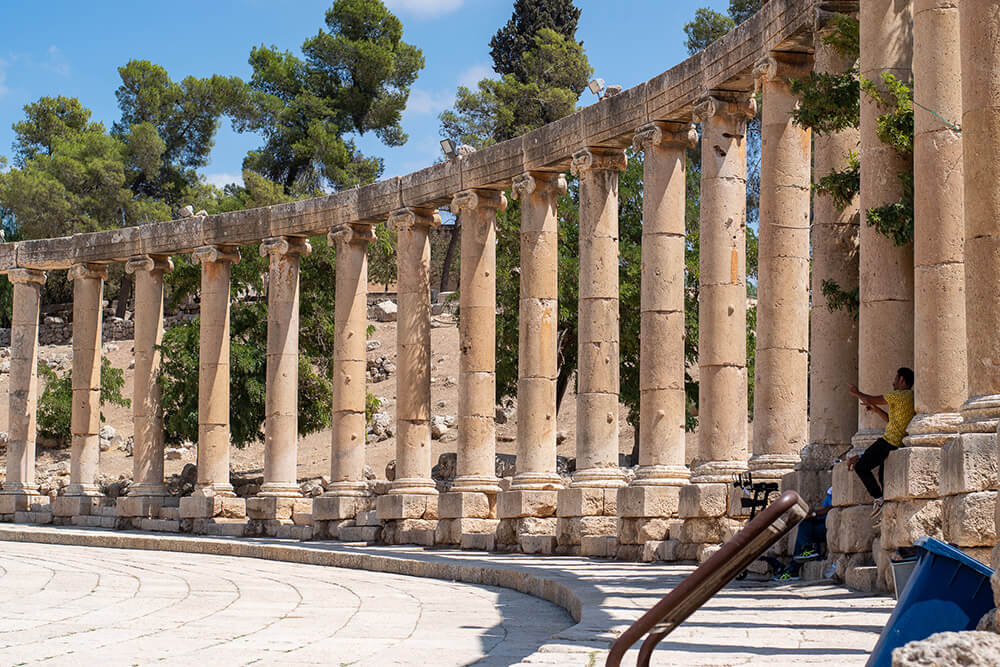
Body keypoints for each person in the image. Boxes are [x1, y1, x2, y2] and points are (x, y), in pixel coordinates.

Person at [847, 367, 915, 522]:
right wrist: (877, 410)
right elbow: (892, 421)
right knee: (882, 474)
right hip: (895, 442)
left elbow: (870, 398)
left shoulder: (898, 395)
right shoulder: (909, 397)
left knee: (861, 467)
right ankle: (885, 506)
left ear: (902, 380)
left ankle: (878, 499)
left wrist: (856, 393)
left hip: (888, 441)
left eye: (896, 378)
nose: (893, 381)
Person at [773, 487, 833, 582]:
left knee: (804, 529)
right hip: (822, 523)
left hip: (830, 527)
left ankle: (793, 568)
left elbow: (828, 509)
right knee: (804, 523)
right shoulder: (830, 492)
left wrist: (814, 514)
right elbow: (823, 509)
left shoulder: (838, 491)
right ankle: (806, 550)